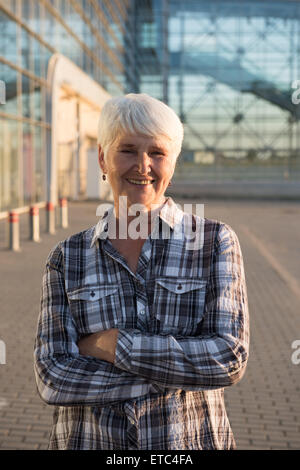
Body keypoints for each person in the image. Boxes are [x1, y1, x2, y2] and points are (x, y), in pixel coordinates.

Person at [34, 93, 249, 450]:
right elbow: (53, 377)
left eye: (158, 153)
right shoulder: (67, 257)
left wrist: (112, 344)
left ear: (173, 163)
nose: (143, 165)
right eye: (128, 150)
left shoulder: (214, 243)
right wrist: (173, 378)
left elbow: (227, 358)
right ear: (103, 158)